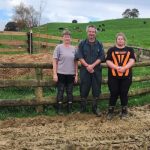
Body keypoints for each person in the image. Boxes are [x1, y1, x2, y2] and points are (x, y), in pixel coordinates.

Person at [76, 25, 105, 117]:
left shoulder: (100, 44)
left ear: (95, 33)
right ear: (87, 32)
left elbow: (101, 57)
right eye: (90, 31)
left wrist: (92, 66)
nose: (91, 33)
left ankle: (95, 108)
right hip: (85, 70)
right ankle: (83, 108)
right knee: (84, 88)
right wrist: (87, 66)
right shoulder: (82, 43)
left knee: (96, 89)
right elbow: (79, 56)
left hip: (96, 70)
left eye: (93, 32)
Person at [106, 32, 136, 119]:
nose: (120, 40)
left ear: (124, 40)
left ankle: (124, 111)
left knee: (124, 93)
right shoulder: (111, 50)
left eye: (122, 39)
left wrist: (124, 68)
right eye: (118, 39)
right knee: (113, 92)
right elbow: (108, 61)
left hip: (126, 76)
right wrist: (116, 67)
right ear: (116, 40)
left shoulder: (130, 49)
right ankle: (110, 111)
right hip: (113, 76)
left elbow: (132, 60)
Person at [53, 29, 78, 115]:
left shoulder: (74, 48)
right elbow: (55, 61)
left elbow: (75, 62)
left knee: (70, 91)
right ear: (62, 38)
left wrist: (76, 74)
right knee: (60, 91)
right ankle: (59, 109)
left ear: (70, 38)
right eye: (65, 36)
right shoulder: (58, 47)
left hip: (71, 74)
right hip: (61, 73)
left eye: (68, 37)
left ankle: (69, 109)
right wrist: (55, 74)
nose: (67, 38)